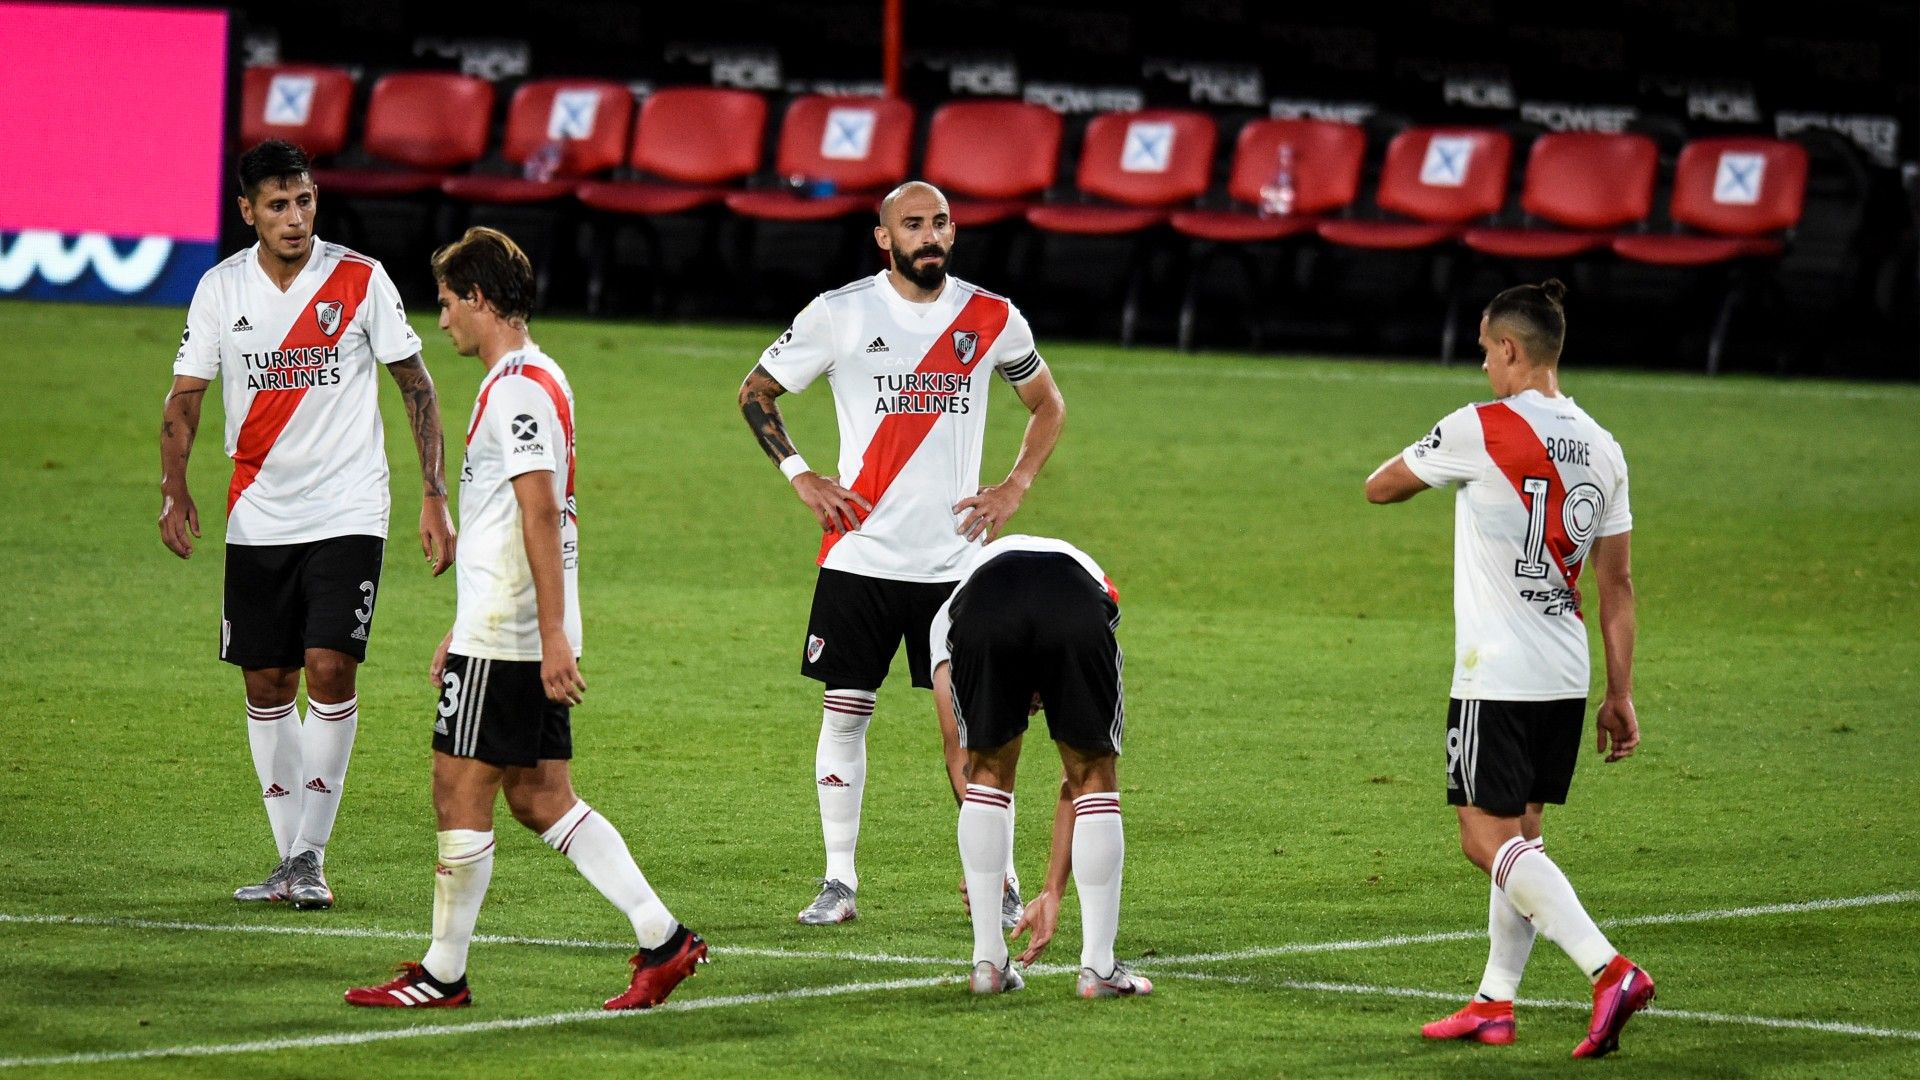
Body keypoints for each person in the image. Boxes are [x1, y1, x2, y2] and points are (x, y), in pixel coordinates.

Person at [345, 227, 706, 1010]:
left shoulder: (515, 388)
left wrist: (541, 635)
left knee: (457, 791)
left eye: (446, 303)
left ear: (479, 298)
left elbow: (543, 512)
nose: (440, 322)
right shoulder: (539, 377)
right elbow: (515, 517)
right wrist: (467, 625)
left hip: (513, 633)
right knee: (541, 796)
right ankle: (664, 938)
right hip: (507, 621)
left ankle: (443, 973)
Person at [737, 180, 1066, 927]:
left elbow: (1048, 403)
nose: (929, 235)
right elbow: (755, 391)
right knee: (846, 712)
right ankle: (838, 882)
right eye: (912, 224)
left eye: (940, 222)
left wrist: (1014, 485)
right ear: (883, 238)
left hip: (955, 567)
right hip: (859, 556)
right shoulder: (839, 312)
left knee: (971, 732)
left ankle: (1004, 885)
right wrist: (801, 475)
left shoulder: (991, 316)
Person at [159, 138, 455, 910]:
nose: (295, 218)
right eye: (278, 205)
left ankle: (312, 856)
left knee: (329, 667)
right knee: (267, 682)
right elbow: (186, 397)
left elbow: (415, 386)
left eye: (305, 201)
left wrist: (433, 495)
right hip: (259, 512)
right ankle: (288, 857)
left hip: (349, 506)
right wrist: (173, 489)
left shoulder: (359, 279)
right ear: (247, 211)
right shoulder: (222, 289)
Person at [1364, 280, 1653, 1059]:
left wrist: (1438, 456)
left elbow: (1379, 487)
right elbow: (1617, 586)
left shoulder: (1479, 427)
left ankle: (1609, 968)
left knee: (1483, 838)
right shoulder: (1603, 444)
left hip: (1495, 671)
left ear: (1514, 350)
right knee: (1524, 831)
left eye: (1488, 349)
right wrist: (1620, 695)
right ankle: (1496, 1000)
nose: (1485, 363)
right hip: (1566, 671)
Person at [930, 534, 1152, 999]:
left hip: (986, 610)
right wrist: (1040, 885)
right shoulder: (1085, 574)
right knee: (1095, 776)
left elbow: (962, 761)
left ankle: (987, 962)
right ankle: (1098, 968)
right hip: (1070, 599)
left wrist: (1031, 885)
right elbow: (1079, 785)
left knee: (988, 770)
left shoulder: (946, 625)